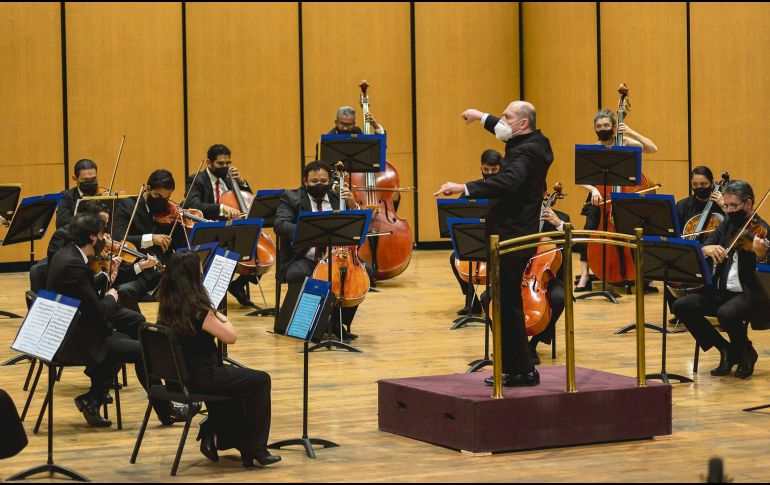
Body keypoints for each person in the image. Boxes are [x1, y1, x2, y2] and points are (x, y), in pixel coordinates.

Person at [435, 101, 554, 387]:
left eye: (507, 116)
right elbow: (502, 129)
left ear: (522, 124)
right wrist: (480, 117)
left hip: (511, 237)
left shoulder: (525, 153)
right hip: (516, 234)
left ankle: (521, 371)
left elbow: (507, 182)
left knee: (507, 307)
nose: (502, 120)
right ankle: (518, 368)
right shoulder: (538, 141)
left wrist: (465, 188)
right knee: (505, 304)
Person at [47, 212, 189, 427]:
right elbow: (100, 309)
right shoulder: (74, 265)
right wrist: (112, 297)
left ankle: (93, 398)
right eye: (103, 235)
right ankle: (166, 409)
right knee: (141, 350)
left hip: (78, 323)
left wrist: (107, 276)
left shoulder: (68, 254)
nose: (106, 240)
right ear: (92, 237)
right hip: (76, 338)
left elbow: (83, 290)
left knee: (135, 324)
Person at [156, 251, 279, 468]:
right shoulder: (198, 311)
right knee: (260, 381)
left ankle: (216, 434)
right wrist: (214, 310)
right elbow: (231, 337)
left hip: (179, 378)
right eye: (200, 272)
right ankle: (255, 449)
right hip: (203, 377)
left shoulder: (168, 306)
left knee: (238, 387)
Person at [672, 180, 770, 379]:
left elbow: (766, 271)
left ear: (748, 203)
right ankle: (726, 349)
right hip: (721, 290)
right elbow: (705, 245)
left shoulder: (762, 230)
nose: (729, 210)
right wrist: (706, 248)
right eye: (726, 206)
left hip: (750, 293)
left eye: (734, 205)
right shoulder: (727, 223)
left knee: (726, 313)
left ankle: (744, 352)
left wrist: (761, 255)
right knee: (682, 305)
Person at [274, 160, 363, 341]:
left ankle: (338, 322)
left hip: (336, 258)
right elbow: (280, 224)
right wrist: (308, 230)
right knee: (298, 273)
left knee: (363, 273)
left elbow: (358, 226)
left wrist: (353, 205)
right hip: (305, 257)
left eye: (323, 181)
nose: (319, 185)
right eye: (314, 181)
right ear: (305, 181)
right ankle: (306, 323)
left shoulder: (338, 197)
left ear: (330, 180)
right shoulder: (291, 198)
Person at [575, 109, 658, 292]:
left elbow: (653, 148)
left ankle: (647, 276)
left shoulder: (625, 142)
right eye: (598, 126)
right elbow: (581, 178)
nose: (602, 129)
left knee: (642, 226)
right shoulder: (593, 149)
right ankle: (585, 275)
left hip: (625, 195)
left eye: (606, 125)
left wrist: (630, 131)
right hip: (600, 195)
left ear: (613, 126)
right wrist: (593, 189)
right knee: (590, 227)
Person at [184, 144, 255, 307]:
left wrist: (242, 182)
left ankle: (237, 284)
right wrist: (221, 208)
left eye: (228, 163)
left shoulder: (230, 180)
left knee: (253, 243)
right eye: (220, 163)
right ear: (209, 163)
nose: (225, 167)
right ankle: (210, 292)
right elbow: (191, 204)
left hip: (229, 227)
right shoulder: (197, 180)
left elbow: (247, 200)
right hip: (207, 227)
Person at [112, 169, 182, 313]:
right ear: (148, 189)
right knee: (126, 290)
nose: (163, 201)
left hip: (163, 271)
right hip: (139, 271)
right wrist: (151, 238)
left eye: (167, 197)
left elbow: (177, 243)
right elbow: (119, 239)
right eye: (158, 196)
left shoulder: (168, 211)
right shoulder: (127, 206)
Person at [449, 149, 501, 316]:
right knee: (454, 257)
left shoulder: (506, 189)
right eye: (486, 170)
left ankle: (496, 300)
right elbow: (457, 211)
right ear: (481, 168)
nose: (490, 173)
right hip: (478, 240)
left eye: (494, 170)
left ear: (500, 168)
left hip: (500, 241)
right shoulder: (474, 187)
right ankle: (472, 301)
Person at [677, 166, 726, 238]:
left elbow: (733, 226)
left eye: (703, 184)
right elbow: (676, 233)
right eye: (695, 184)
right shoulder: (682, 205)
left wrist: (723, 206)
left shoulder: (721, 203)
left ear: (712, 183)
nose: (699, 187)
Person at [56, 159, 100, 229]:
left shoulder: (103, 194)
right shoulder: (66, 196)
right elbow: (62, 224)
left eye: (93, 179)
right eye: (86, 180)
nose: (91, 182)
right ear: (75, 178)